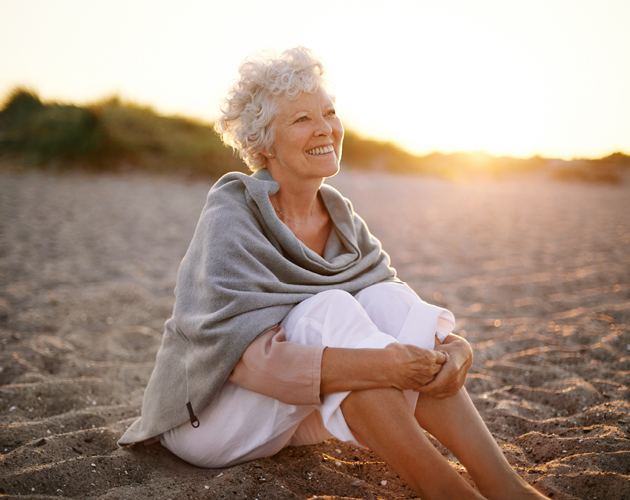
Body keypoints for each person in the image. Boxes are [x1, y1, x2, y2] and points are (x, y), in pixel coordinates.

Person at [119, 47, 548, 500]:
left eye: (329, 112)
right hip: (207, 418)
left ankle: (506, 487)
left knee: (382, 298)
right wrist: (384, 364)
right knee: (327, 309)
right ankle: (445, 491)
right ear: (263, 143)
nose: (325, 128)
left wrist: (456, 352)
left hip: (292, 414)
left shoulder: (341, 217)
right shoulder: (232, 215)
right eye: (302, 119)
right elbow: (248, 363)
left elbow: (399, 313)